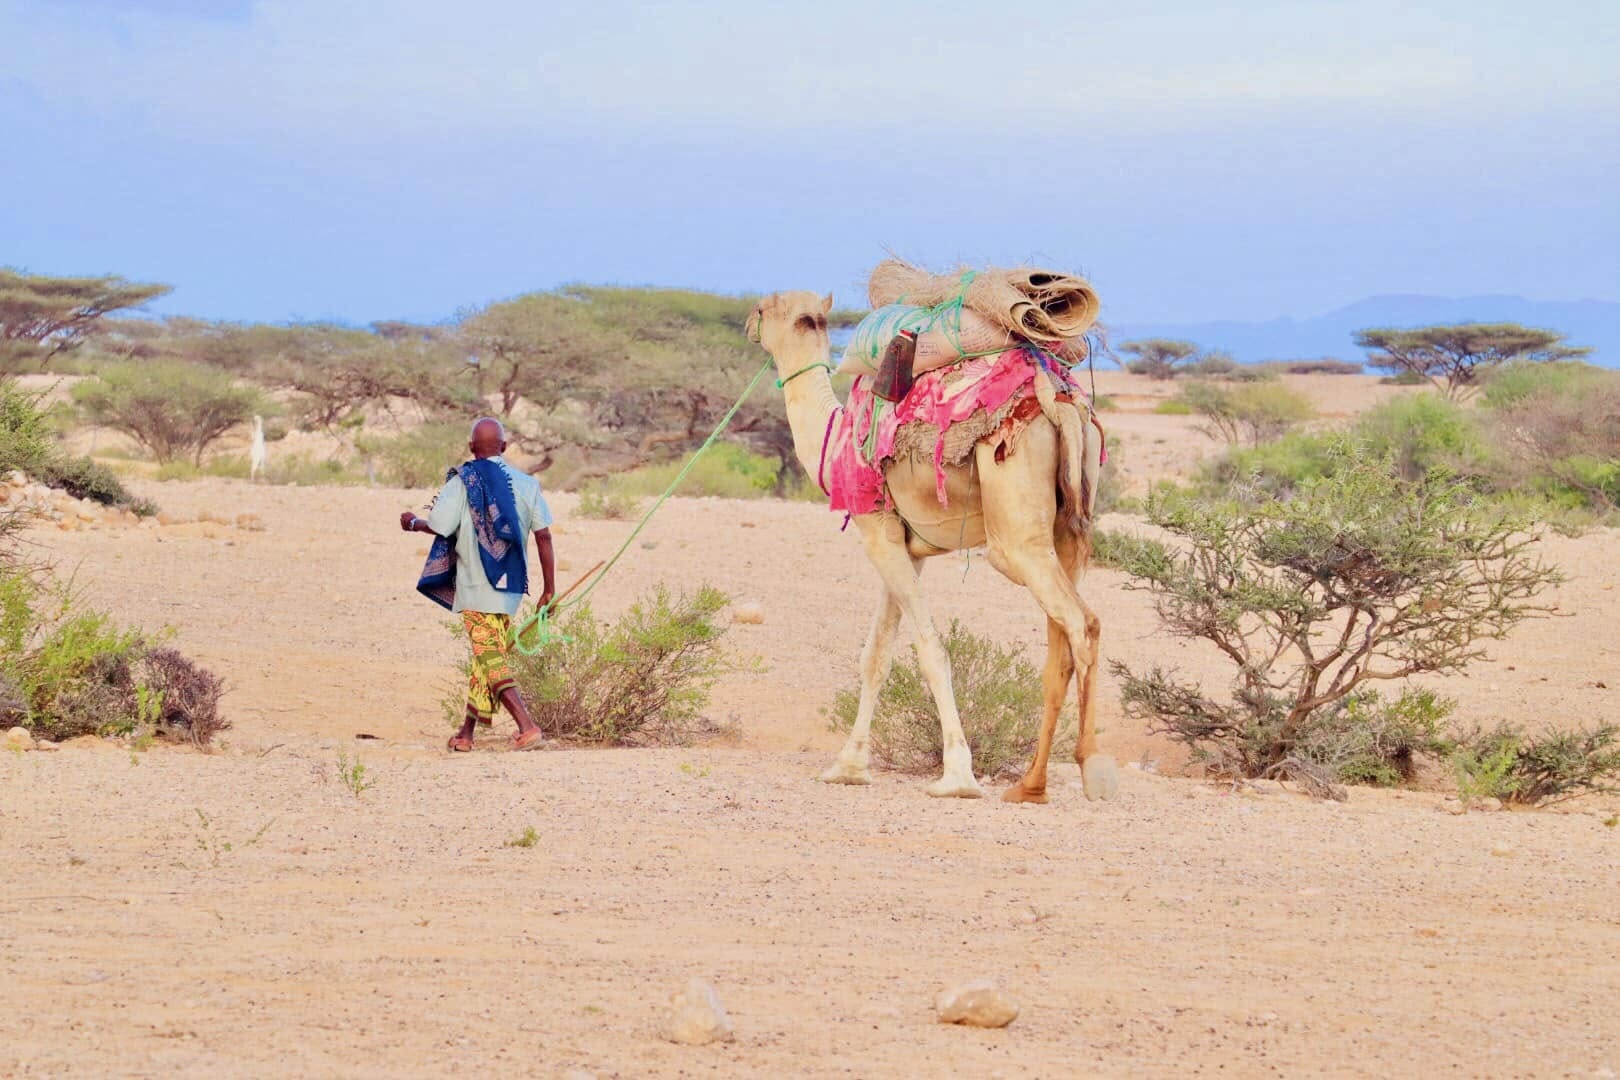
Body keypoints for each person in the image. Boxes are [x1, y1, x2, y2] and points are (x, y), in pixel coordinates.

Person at [400, 417, 556, 752]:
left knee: (490, 657)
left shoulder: (464, 479)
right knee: (485, 658)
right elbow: (543, 536)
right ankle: (466, 735)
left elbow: (441, 525)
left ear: (472, 448)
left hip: (475, 584)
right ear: (503, 448)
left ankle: (527, 727)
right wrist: (549, 589)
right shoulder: (528, 484)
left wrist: (413, 522)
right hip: (512, 585)